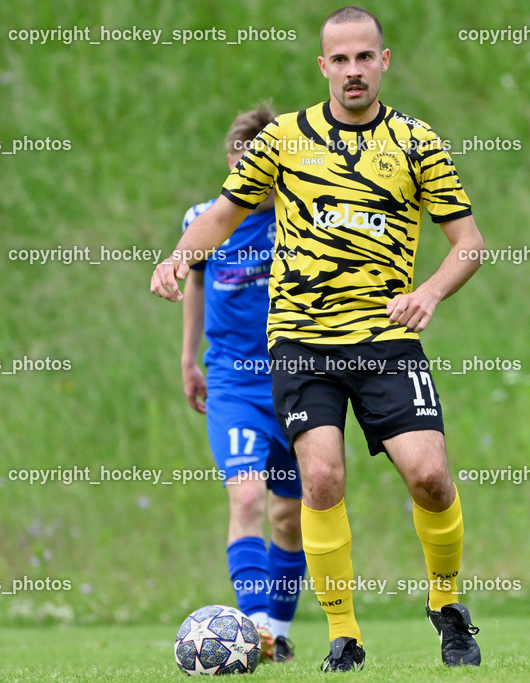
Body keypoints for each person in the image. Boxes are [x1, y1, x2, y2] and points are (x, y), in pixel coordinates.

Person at [153, 6, 484, 672]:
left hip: (384, 338)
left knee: (429, 476)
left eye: (365, 57)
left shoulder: (418, 142)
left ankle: (447, 605)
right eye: (341, 59)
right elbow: (223, 212)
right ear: (323, 66)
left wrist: (428, 292)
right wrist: (178, 257)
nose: (353, 70)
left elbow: (468, 245)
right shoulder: (283, 139)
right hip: (302, 342)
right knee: (322, 478)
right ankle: (344, 632)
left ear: (383, 62)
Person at [178, 104, 306, 664]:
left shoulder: (298, 222)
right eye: (236, 168)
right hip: (232, 382)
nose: (243, 181)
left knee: (290, 516)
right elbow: (196, 285)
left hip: (297, 380)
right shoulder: (203, 219)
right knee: (248, 495)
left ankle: (277, 628)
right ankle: (253, 632)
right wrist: (188, 358)